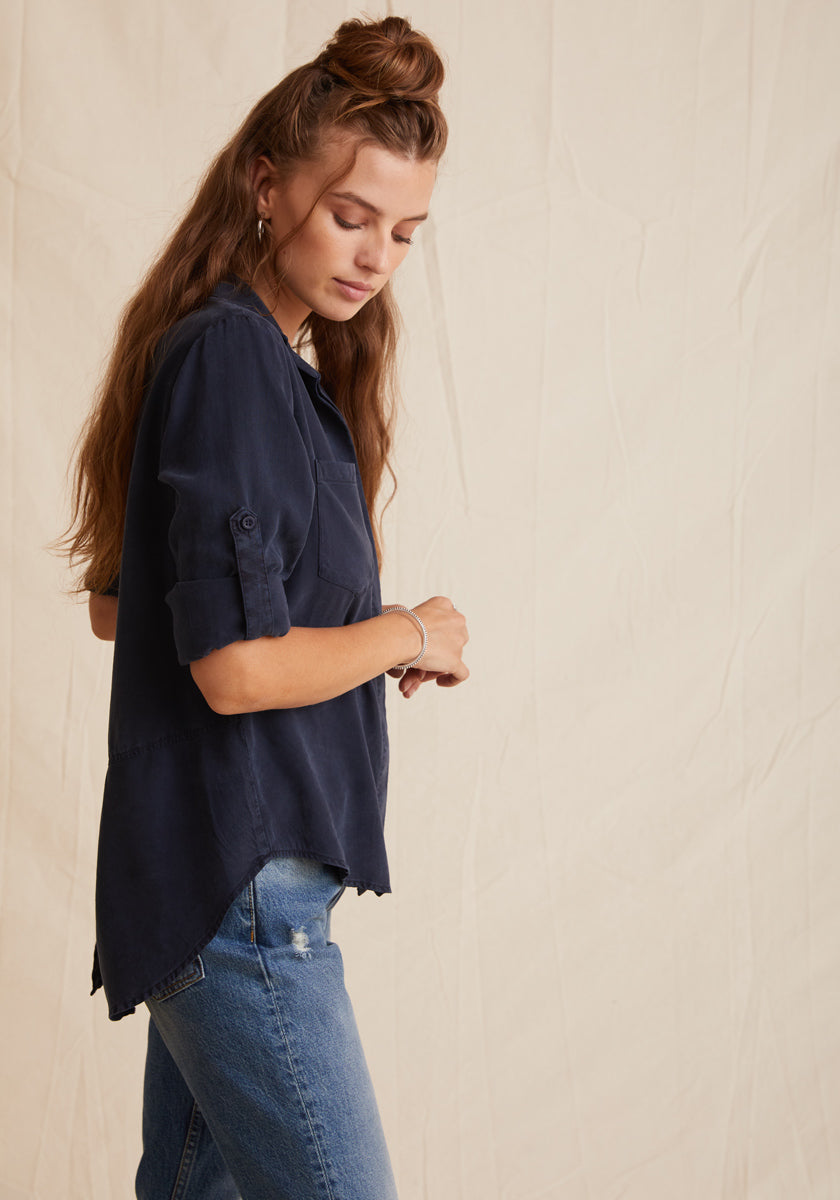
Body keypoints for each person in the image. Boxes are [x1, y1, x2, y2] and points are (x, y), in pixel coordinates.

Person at [62, 15, 469, 1200]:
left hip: (216, 884)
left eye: (404, 231)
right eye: (351, 215)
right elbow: (231, 670)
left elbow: (121, 614)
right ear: (266, 182)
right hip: (242, 893)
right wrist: (409, 631)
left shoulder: (254, 363)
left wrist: (346, 641)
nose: (376, 254)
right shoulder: (233, 359)